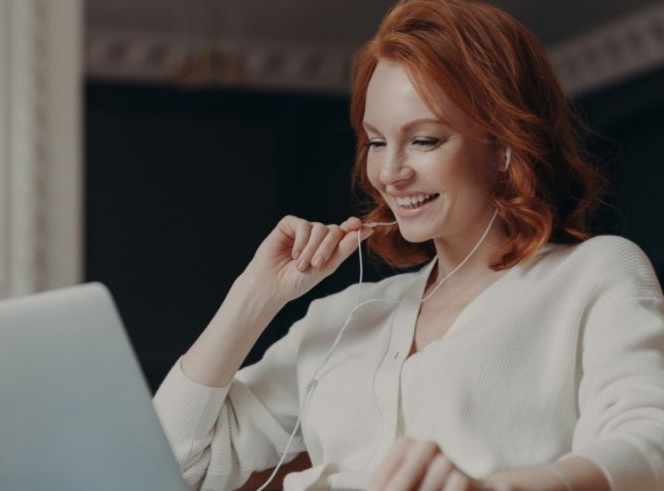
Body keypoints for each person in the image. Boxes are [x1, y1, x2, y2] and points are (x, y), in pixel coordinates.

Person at [152, 0, 664, 489]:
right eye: (377, 142)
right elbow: (167, 466)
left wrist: (492, 489)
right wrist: (255, 295)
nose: (390, 174)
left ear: (505, 148)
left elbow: (648, 449)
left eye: (424, 140)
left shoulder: (592, 275)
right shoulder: (343, 318)